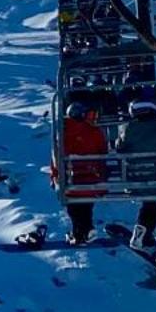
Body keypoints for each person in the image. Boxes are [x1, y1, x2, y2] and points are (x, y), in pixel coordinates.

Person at [115, 97, 156, 246]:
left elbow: (119, 147)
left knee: (151, 200)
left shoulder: (126, 129)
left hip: (134, 180)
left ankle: (143, 231)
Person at [59, 101, 108, 244]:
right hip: (91, 178)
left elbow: (57, 156)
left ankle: (80, 232)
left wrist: (55, 176)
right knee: (86, 205)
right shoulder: (94, 131)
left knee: (74, 207)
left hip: (70, 179)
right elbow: (103, 151)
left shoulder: (63, 133)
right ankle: (85, 230)